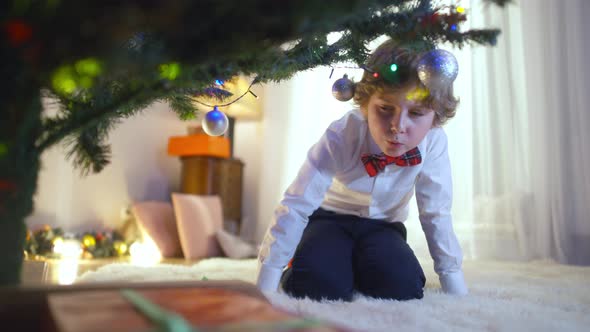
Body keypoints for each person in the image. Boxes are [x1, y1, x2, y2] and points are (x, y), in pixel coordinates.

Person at [256, 39, 468, 301]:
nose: (398, 126)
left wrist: (452, 279)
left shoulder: (434, 142)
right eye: (385, 109)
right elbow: (296, 203)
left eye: (416, 113)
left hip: (384, 226)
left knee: (403, 287)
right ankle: (319, 262)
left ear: (435, 116)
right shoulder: (342, 134)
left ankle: (352, 264)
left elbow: (436, 210)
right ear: (365, 104)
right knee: (317, 285)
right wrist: (267, 278)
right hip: (328, 219)